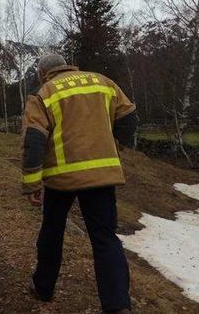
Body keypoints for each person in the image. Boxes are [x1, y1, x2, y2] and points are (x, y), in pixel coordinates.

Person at [21, 54, 137, 314]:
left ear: (43, 74)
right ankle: (118, 306)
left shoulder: (44, 93)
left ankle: (43, 288)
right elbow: (129, 117)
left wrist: (32, 184)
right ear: (67, 65)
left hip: (61, 179)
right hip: (101, 176)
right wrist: (118, 145)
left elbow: (34, 140)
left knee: (52, 232)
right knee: (105, 239)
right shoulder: (103, 82)